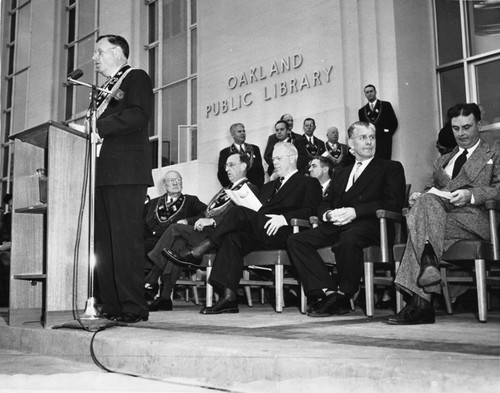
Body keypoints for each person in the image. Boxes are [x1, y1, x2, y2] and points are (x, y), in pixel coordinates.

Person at [165, 142, 322, 314]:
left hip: (286, 232)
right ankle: (229, 297)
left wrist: (284, 218)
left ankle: (198, 251)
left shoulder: (308, 182)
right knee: (233, 238)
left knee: (238, 212)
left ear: (292, 158)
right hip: (262, 230)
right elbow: (258, 210)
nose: (274, 162)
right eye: (273, 159)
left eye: (278, 158)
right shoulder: (270, 186)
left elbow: (311, 210)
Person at [385, 103, 500, 325]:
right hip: (440, 218)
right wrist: (418, 196)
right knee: (424, 205)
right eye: (456, 128)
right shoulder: (443, 160)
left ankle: (423, 295)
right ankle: (425, 282)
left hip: (474, 217)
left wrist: (471, 194)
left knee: (420, 222)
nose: (461, 134)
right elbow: (430, 190)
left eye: (467, 127)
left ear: (480, 125)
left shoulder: (494, 153)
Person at [286, 121, 406, 317]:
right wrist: (328, 214)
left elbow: (393, 203)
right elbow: (326, 202)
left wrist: (356, 212)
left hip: (372, 225)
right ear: (351, 144)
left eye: (372, 137)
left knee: (348, 239)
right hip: (337, 224)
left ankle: (345, 293)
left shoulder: (390, 167)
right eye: (363, 137)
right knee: (296, 240)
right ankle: (329, 291)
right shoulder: (341, 171)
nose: (369, 142)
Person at [145, 153, 258, 311]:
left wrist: (212, 222)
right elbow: (205, 213)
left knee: (174, 228)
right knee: (177, 244)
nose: (226, 169)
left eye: (230, 165)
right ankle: (165, 297)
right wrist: (189, 221)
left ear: (243, 166)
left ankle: (152, 277)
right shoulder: (225, 190)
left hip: (220, 238)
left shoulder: (250, 189)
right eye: (226, 165)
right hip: (205, 232)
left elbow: (242, 219)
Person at [92, 34, 154, 323]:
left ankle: (133, 306)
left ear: (117, 52)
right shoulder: (104, 89)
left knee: (125, 241)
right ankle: (112, 305)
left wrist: (99, 126)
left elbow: (139, 115)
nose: (95, 58)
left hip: (126, 172)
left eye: (100, 52)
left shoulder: (135, 78)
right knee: (104, 244)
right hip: (103, 173)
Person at [217, 123, 264, 189]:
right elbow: (222, 174)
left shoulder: (254, 149)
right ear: (233, 135)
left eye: (243, 131)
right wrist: (231, 188)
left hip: (255, 188)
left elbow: (260, 170)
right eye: (239, 131)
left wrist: (258, 186)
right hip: (236, 190)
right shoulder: (225, 153)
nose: (243, 133)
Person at [358, 84, 398, 159]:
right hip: (371, 143)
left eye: (371, 91)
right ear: (365, 95)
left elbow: (394, 122)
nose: (369, 93)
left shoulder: (386, 105)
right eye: (367, 92)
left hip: (385, 141)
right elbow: (363, 128)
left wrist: (387, 134)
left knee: (385, 162)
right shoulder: (362, 111)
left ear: (375, 92)